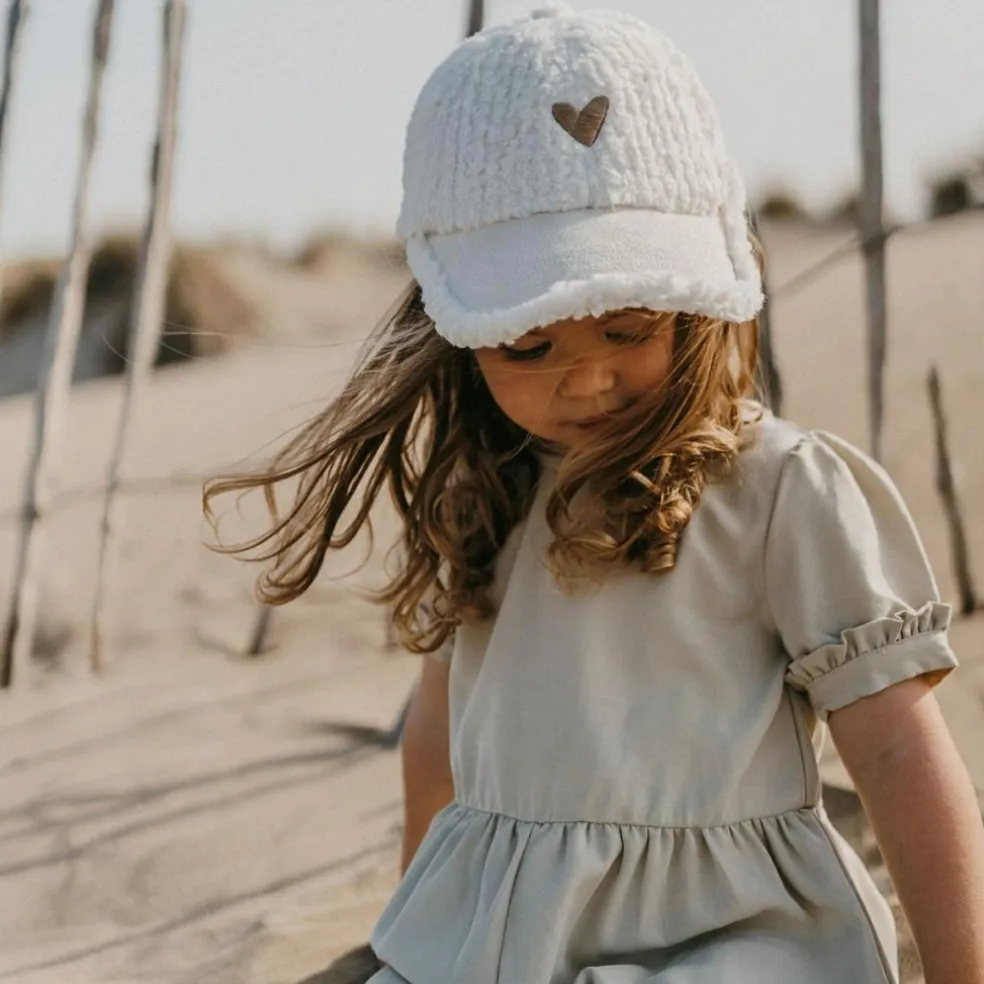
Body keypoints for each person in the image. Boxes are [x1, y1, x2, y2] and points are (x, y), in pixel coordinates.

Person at [204, 5, 984, 982]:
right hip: (505, 942)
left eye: (630, 329)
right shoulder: (483, 498)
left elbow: (901, 753)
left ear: (696, 305)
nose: (585, 380)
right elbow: (434, 746)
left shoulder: (781, 492)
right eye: (527, 344)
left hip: (734, 941)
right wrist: (412, 943)